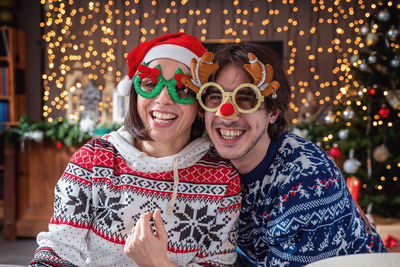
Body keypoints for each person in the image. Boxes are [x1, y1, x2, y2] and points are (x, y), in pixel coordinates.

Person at [30, 33, 242, 267]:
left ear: (200, 103)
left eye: (182, 90)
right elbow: (59, 251)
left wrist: (158, 263)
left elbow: (217, 263)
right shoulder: (93, 160)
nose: (163, 99)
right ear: (135, 92)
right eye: (151, 84)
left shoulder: (222, 178)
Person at [194, 43, 386, 266]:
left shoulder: (307, 179)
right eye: (216, 97)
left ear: (273, 112)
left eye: (246, 98)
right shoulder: (209, 161)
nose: (226, 115)